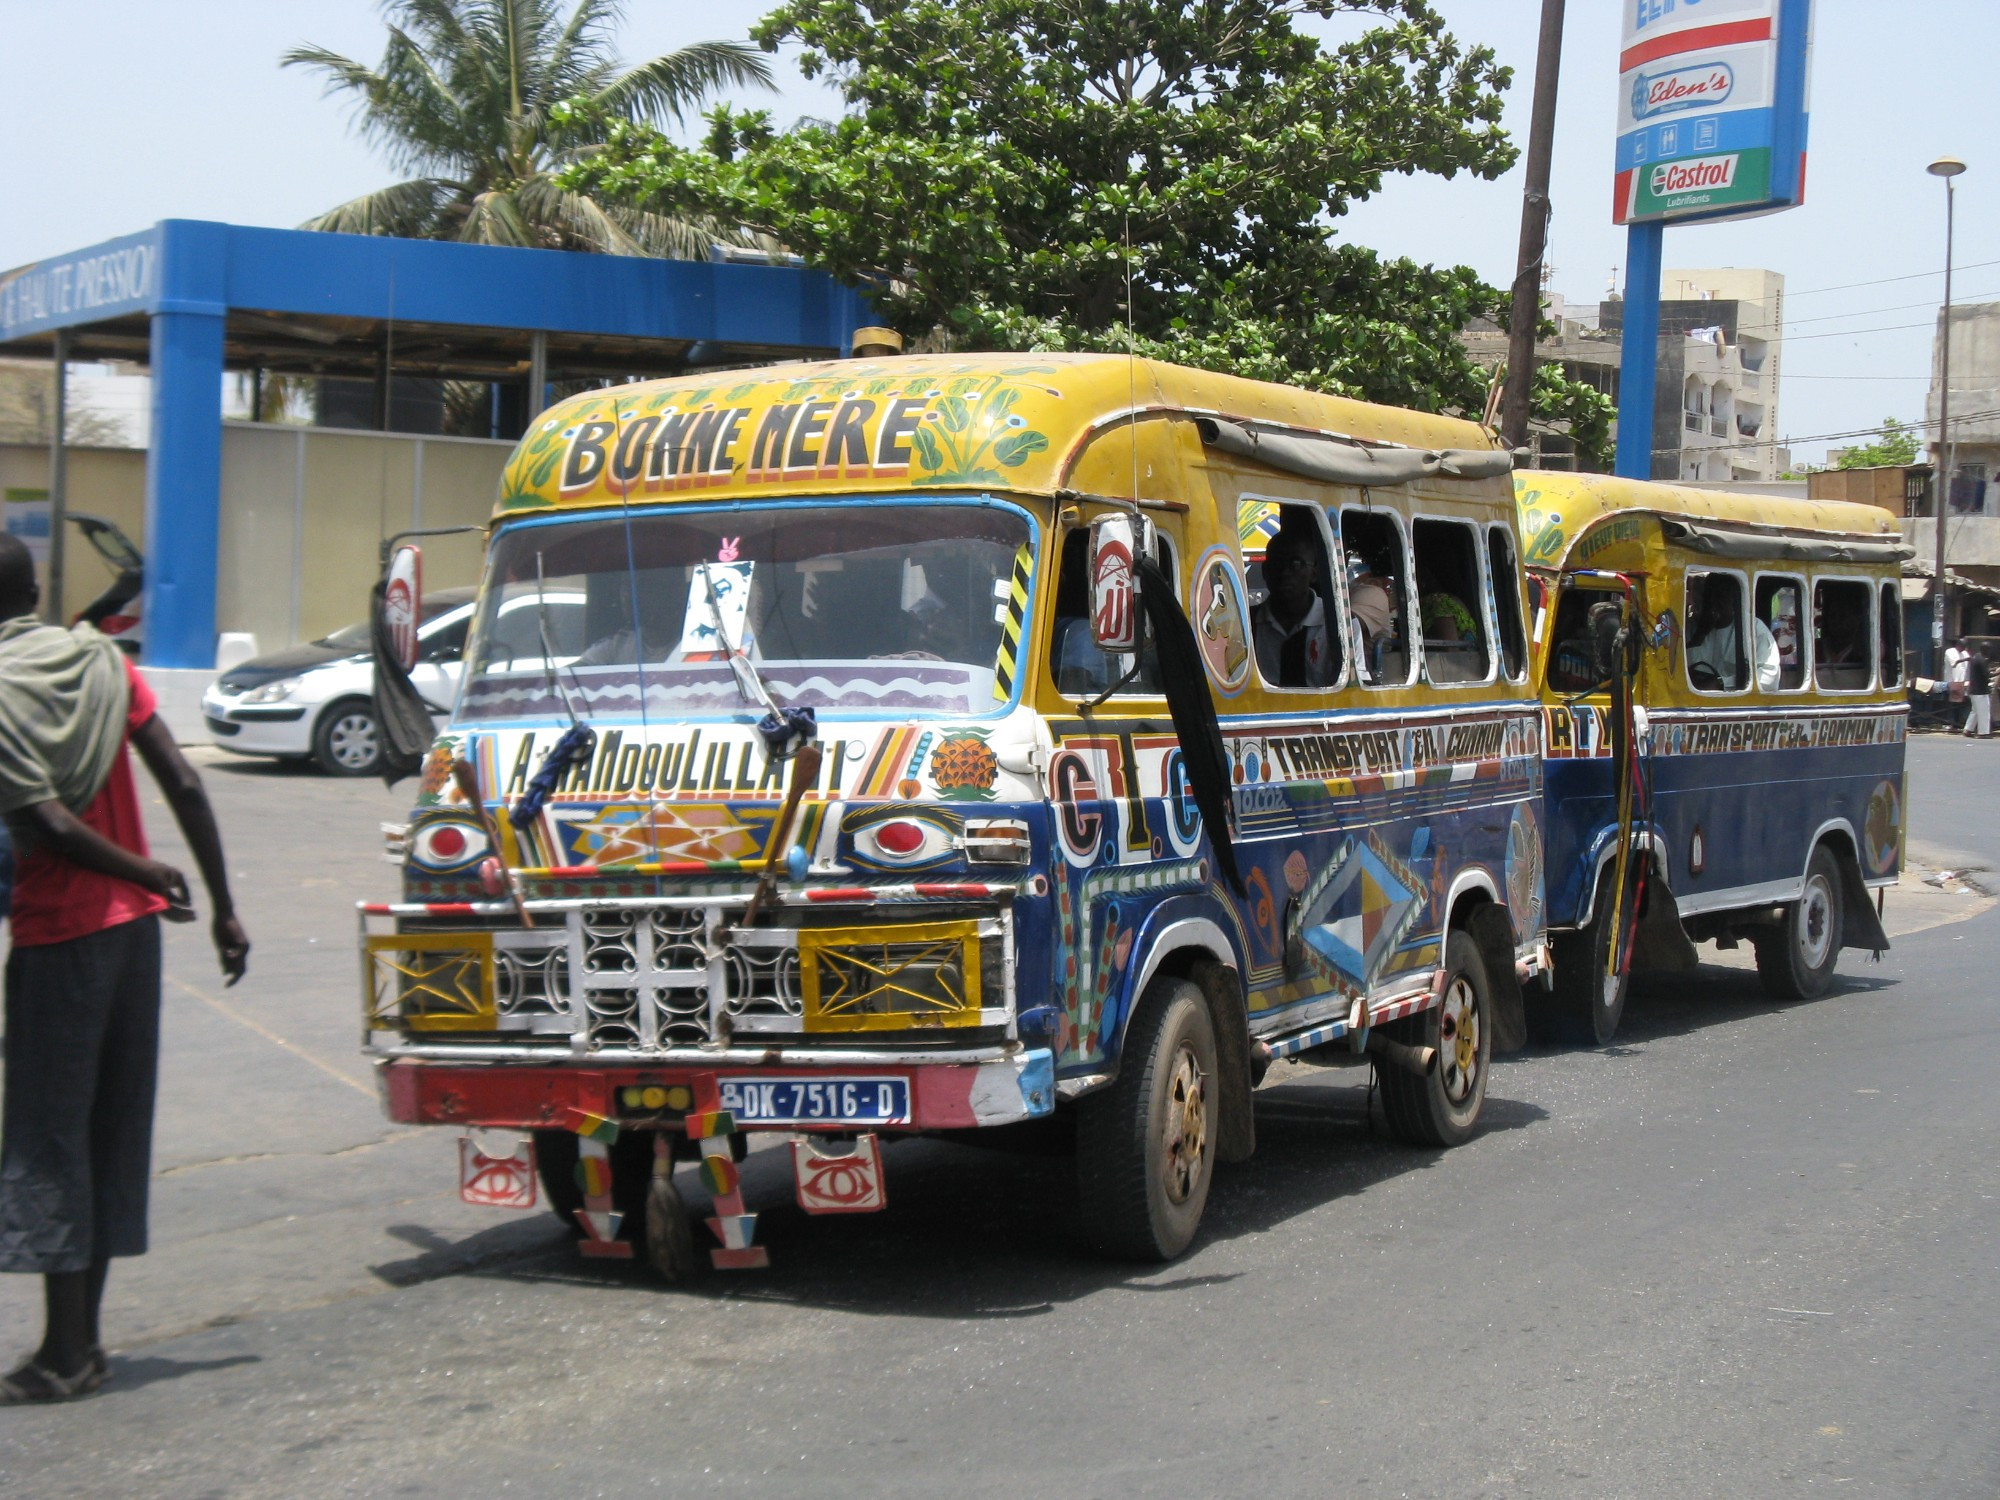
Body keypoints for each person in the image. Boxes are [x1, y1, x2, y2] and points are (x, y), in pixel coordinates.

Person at [0, 534, 248, 1404]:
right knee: (107, 1132)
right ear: (36, 589)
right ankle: (85, 1344)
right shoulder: (101, 661)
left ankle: (65, 1355)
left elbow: (50, 827)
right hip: (133, 940)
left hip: (60, 935)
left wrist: (149, 873)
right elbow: (183, 779)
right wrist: (222, 904)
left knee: (48, 1138)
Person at [1250, 527, 1332, 688]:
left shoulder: (1340, 624)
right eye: (1277, 563)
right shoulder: (1246, 625)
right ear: (1265, 571)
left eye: (1296, 564)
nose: (1285, 572)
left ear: (1314, 574)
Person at [1946, 637, 1972, 729]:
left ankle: (1959, 722)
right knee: (1953, 703)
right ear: (1958, 645)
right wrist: (1965, 660)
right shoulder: (1950, 651)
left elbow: (1966, 668)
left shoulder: (1965, 653)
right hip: (1953, 681)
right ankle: (1952, 723)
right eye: (1962, 647)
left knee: (1961, 703)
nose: (1963, 649)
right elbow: (1954, 663)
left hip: (1963, 682)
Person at [1967, 646, 1993, 739]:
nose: (1990, 652)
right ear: (1985, 650)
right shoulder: (1982, 660)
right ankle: (1983, 733)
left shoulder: (1975, 657)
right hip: (1980, 691)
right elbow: (1986, 675)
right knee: (1984, 712)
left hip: (1973, 690)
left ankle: (1968, 730)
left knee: (1975, 711)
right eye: (1989, 649)